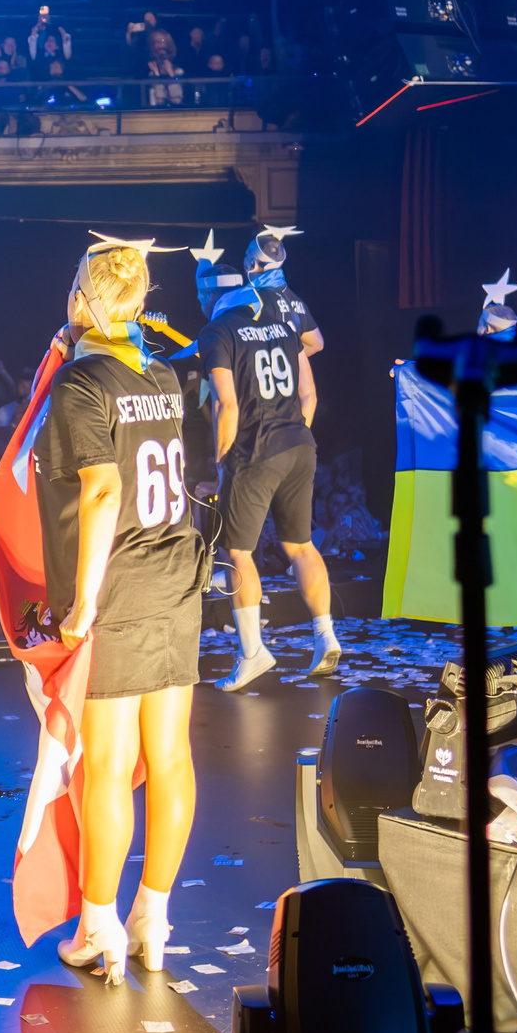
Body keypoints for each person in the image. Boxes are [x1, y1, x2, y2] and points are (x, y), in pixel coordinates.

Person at [38, 236, 204, 983]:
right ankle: (153, 917)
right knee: (169, 756)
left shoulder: (82, 382)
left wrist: (83, 601)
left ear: (82, 298)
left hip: (124, 583)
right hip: (177, 574)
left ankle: (98, 924)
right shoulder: (160, 372)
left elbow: (103, 491)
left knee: (107, 763)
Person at [192, 228, 339, 688]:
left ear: (209, 297)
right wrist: (295, 434)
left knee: (238, 552)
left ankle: (253, 653)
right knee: (301, 545)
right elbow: (309, 393)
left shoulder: (216, 332)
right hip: (300, 445)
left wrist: (222, 463)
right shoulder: (281, 322)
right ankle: (326, 636)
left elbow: (227, 405)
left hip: (256, 451)